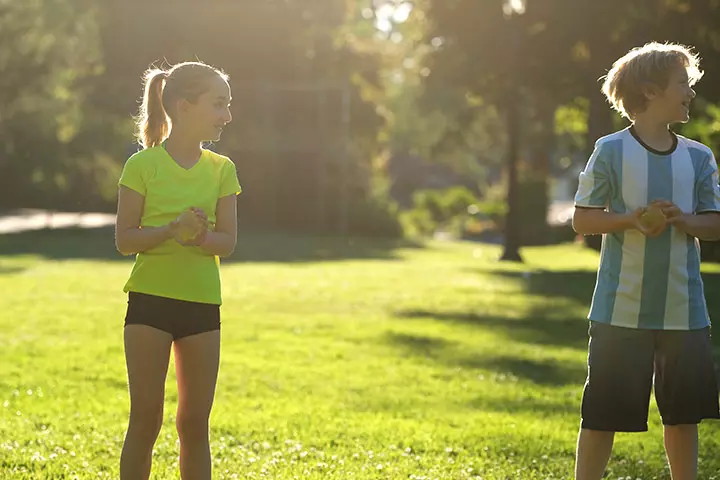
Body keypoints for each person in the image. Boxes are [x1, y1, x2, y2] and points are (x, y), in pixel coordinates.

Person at [572, 42, 720, 480]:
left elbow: (714, 224)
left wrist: (684, 220)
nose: (691, 93)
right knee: (602, 413)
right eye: (683, 84)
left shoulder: (699, 157)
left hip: (683, 310)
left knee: (683, 414)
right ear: (652, 90)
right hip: (620, 307)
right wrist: (630, 221)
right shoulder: (611, 150)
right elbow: (583, 219)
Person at [114, 61, 240, 480]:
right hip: (149, 303)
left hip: (202, 308)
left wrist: (198, 238)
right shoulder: (142, 167)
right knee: (146, 419)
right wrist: (171, 229)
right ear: (185, 106)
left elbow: (228, 242)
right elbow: (125, 240)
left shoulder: (223, 170)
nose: (227, 115)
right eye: (219, 104)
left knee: (193, 425)